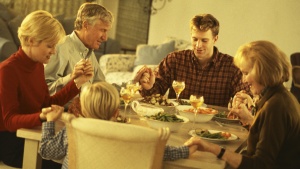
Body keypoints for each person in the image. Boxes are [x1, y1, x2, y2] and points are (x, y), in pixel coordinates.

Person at [0, 10, 94, 168]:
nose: (54, 51)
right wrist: (42, 117)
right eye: (50, 45)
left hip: (34, 134)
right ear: (31, 40)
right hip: (12, 144)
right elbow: (9, 121)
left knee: (82, 154)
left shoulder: (36, 66)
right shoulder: (7, 70)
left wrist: (77, 82)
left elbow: (46, 103)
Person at [185, 40, 300, 168]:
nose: (243, 80)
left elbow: (260, 165)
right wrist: (251, 121)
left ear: (263, 71)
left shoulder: (276, 106)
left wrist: (213, 148)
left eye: (246, 73)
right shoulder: (281, 96)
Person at [39, 82, 198, 169]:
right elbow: (167, 152)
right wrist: (191, 146)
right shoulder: (133, 137)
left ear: (83, 109)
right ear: (116, 112)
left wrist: (50, 121)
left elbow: (45, 151)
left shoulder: (72, 130)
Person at [134, 14, 250, 107]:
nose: (198, 45)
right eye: (195, 39)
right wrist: (148, 87)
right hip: (177, 120)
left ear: (215, 39)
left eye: (204, 40)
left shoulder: (231, 66)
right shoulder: (174, 59)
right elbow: (155, 95)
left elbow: (244, 96)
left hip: (214, 127)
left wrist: (242, 101)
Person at [44, 2, 113, 110]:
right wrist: (72, 77)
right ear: (86, 25)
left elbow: (102, 86)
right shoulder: (59, 47)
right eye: (102, 30)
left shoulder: (89, 52)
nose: (105, 38)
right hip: (64, 117)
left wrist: (134, 84)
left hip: (87, 114)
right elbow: (44, 90)